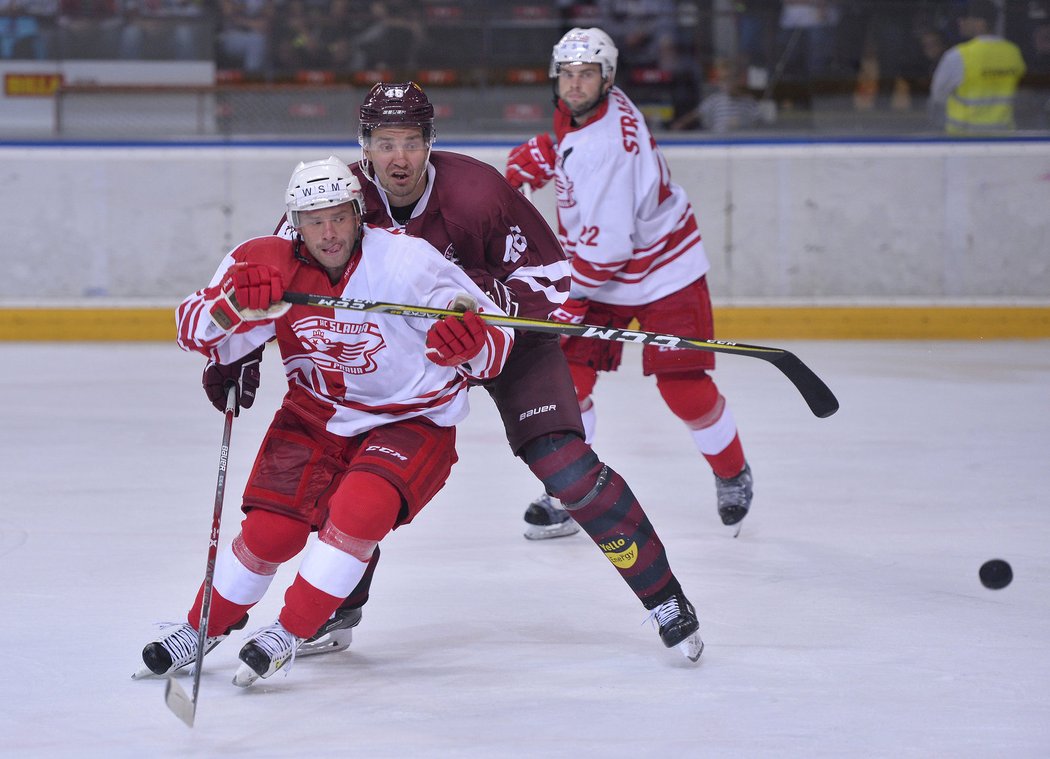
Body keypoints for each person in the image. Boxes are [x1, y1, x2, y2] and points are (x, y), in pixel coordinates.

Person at [214, 81, 705, 663]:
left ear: (431, 144)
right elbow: (284, 280)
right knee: (348, 461)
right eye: (384, 142)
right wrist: (238, 351)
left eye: (412, 142)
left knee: (566, 468)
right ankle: (337, 609)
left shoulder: (476, 193)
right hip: (408, 362)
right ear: (365, 146)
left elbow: (550, 278)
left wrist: (482, 311)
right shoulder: (336, 198)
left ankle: (664, 597)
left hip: (505, 343)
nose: (398, 157)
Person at [135, 156, 515, 687]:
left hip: (412, 419)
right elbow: (193, 330)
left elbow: (494, 340)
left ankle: (290, 632)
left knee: (360, 511)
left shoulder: (408, 262)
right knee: (270, 534)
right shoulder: (262, 260)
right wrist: (234, 306)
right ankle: (201, 627)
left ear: (360, 214)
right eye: (314, 220)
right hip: (314, 415)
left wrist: (473, 342)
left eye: (339, 217)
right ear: (295, 222)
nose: (329, 233)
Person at [504, 28, 754, 539]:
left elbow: (609, 250)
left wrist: (570, 302)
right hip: (601, 264)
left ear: (608, 78)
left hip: (663, 267)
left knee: (683, 387)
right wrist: (551, 151)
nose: (575, 85)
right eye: (568, 75)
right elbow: (577, 155)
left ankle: (732, 471)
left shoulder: (607, 151)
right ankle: (568, 493)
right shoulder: (589, 108)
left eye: (586, 75)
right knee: (566, 385)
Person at [928, 0, 1026, 134]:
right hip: (1004, 137)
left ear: (981, 23)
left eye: (965, 18)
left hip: (963, 139)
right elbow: (1022, 93)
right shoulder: (1013, 52)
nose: (960, 22)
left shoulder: (959, 56)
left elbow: (938, 95)